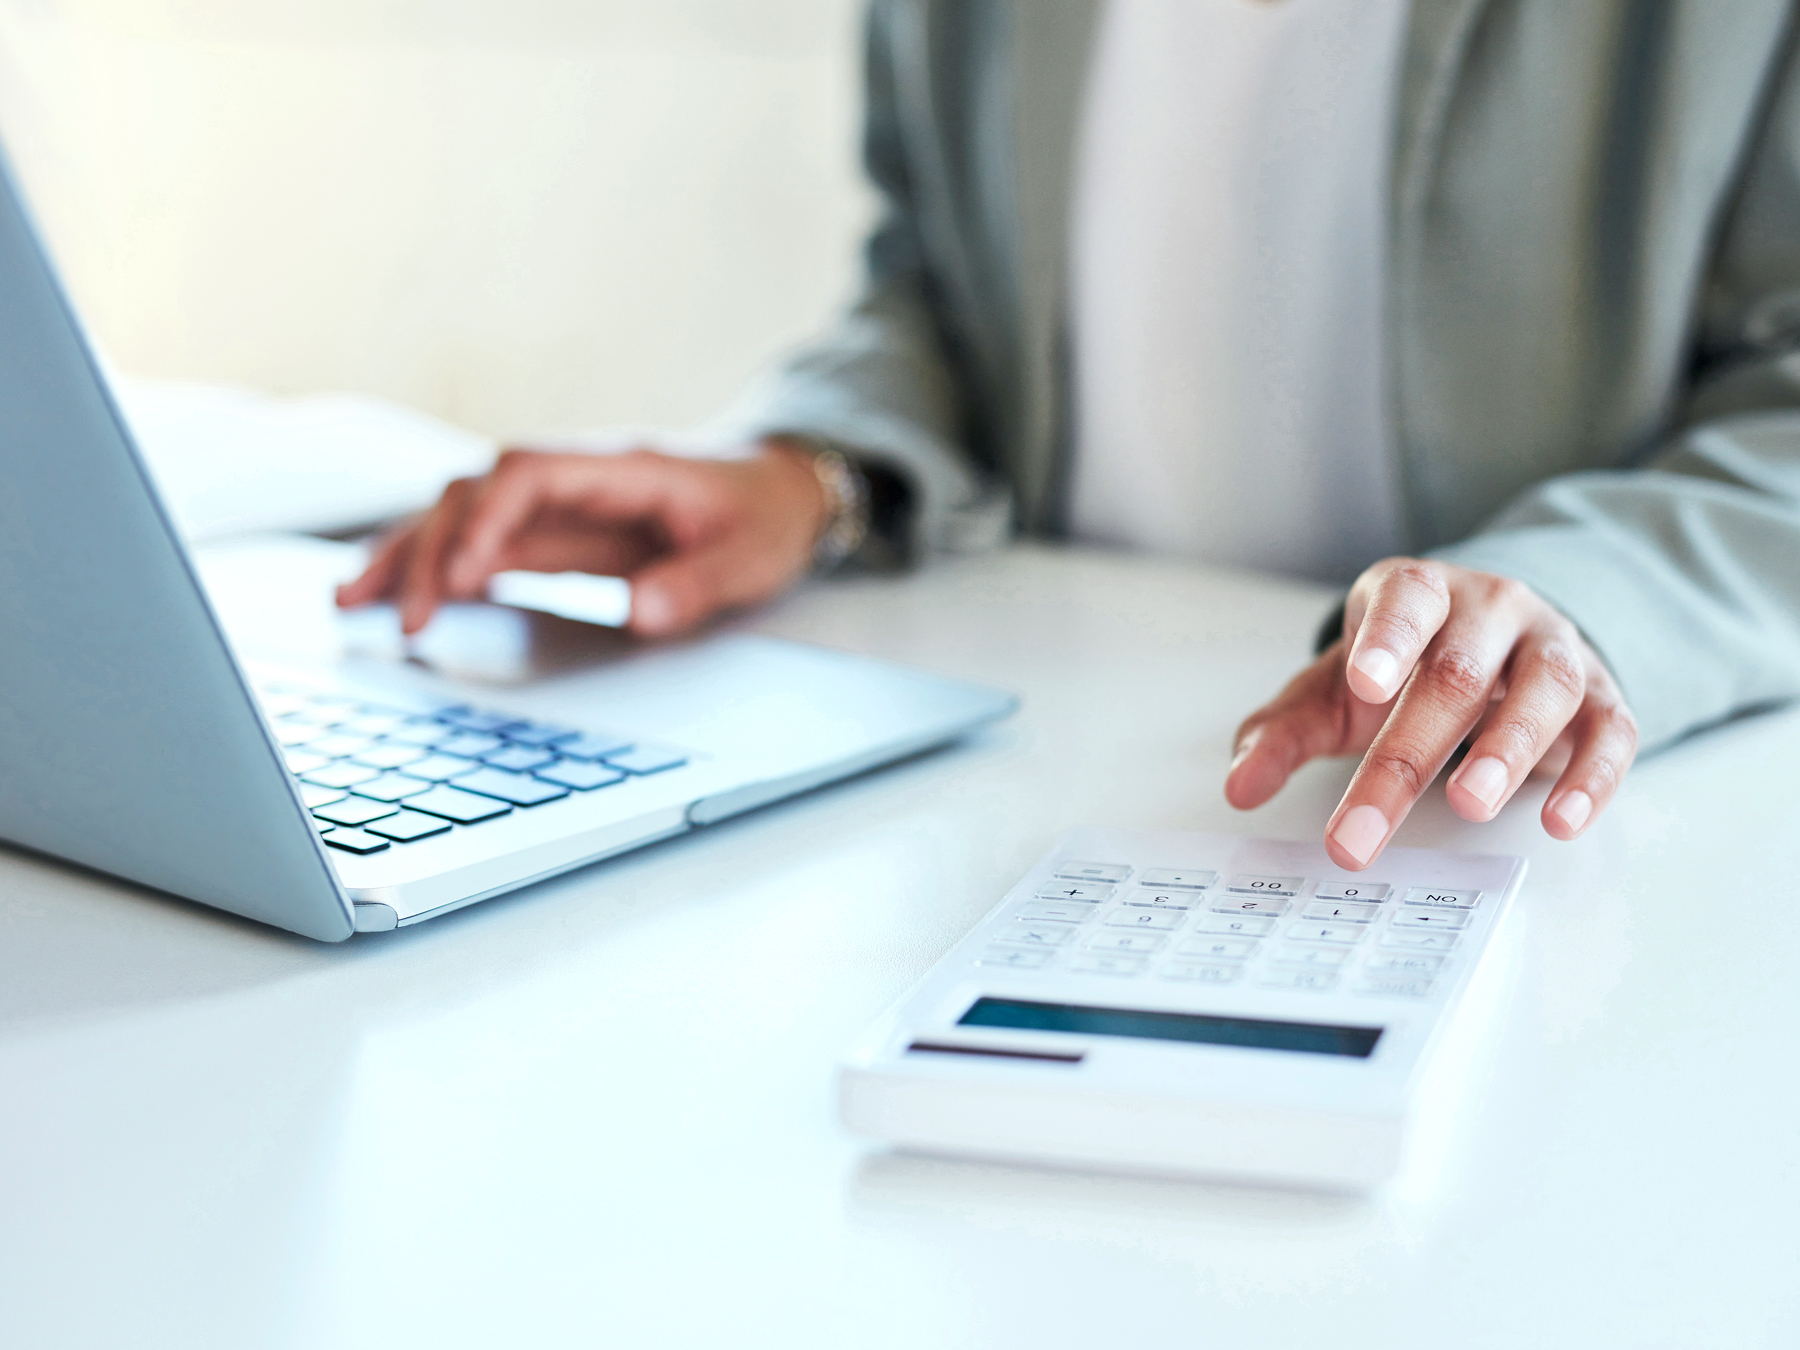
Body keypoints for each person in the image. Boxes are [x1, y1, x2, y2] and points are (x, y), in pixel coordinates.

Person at [339, 0, 1800, 871]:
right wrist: (817, 473)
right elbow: (938, 275)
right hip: (1031, 772)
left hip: (1499, 839)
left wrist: (1588, 604)